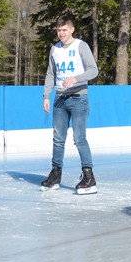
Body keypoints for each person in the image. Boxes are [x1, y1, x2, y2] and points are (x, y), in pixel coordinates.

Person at [41, 16, 99, 194]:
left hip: (78, 98)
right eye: (59, 30)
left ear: (72, 30)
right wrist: (46, 95)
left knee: (79, 138)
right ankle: (55, 174)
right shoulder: (55, 49)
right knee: (58, 139)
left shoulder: (81, 46)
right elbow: (51, 74)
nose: (61, 33)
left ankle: (88, 176)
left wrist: (76, 78)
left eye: (64, 30)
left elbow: (93, 70)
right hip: (60, 99)